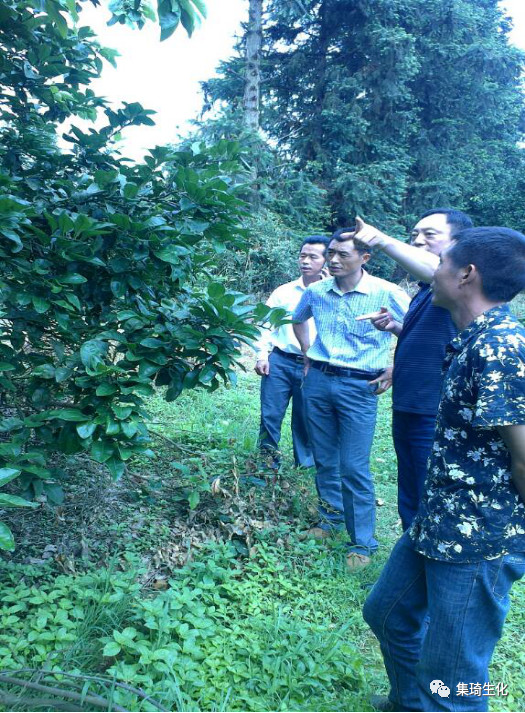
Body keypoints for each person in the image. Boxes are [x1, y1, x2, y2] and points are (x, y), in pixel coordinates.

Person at [363, 227, 525, 712]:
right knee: (388, 614)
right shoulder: (470, 337)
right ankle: (412, 703)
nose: (433, 272)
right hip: (439, 518)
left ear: (467, 275)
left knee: (454, 678)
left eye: (441, 263)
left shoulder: (500, 348)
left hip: (479, 537)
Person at [293, 230, 410, 570]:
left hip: (360, 387)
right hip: (318, 381)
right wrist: (307, 352)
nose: (333, 260)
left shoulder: (386, 292)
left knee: (354, 466)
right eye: (331, 253)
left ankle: (361, 543)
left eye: (342, 254)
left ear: (364, 257)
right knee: (324, 458)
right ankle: (330, 520)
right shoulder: (316, 291)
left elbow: (416, 331)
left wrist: (395, 366)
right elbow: (298, 318)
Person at [353, 209, 473, 529]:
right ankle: (411, 554)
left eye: (429, 234)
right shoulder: (426, 291)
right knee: (410, 490)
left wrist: (380, 240)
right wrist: (395, 326)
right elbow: (436, 339)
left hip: (435, 410)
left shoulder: (460, 283)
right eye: (415, 234)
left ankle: (427, 554)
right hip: (409, 404)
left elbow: (438, 269)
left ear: (459, 244)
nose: (418, 240)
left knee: (428, 491)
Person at [255, 236, 330, 469]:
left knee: (306, 418)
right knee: (270, 414)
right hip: (280, 361)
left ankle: (304, 466)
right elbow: (264, 325)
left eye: (313, 257)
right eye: (302, 256)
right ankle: (266, 464)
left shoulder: (334, 294)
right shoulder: (284, 292)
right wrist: (262, 355)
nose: (305, 261)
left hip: (315, 366)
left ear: (326, 261)